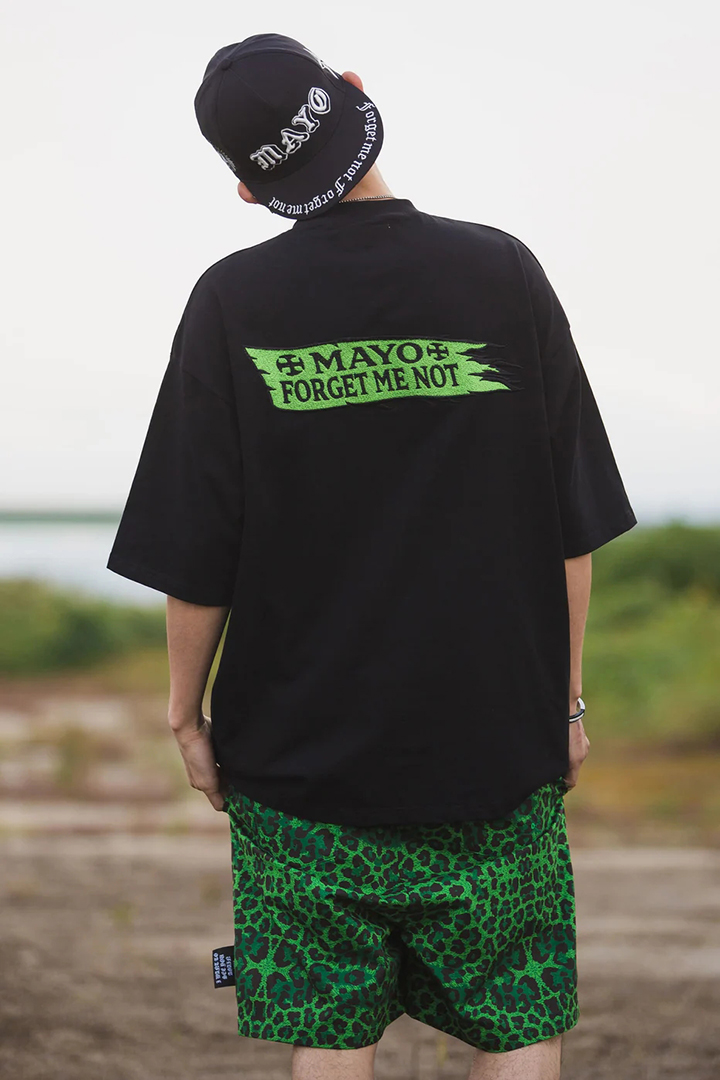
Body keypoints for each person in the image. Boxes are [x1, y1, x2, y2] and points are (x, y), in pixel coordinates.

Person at [107, 33, 637, 1080]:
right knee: (520, 1016)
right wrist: (565, 704)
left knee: (331, 1031)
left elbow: (196, 550)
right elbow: (569, 526)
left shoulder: (231, 303)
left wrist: (185, 715)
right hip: (494, 747)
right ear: (355, 94)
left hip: (299, 764)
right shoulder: (503, 272)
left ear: (249, 188)